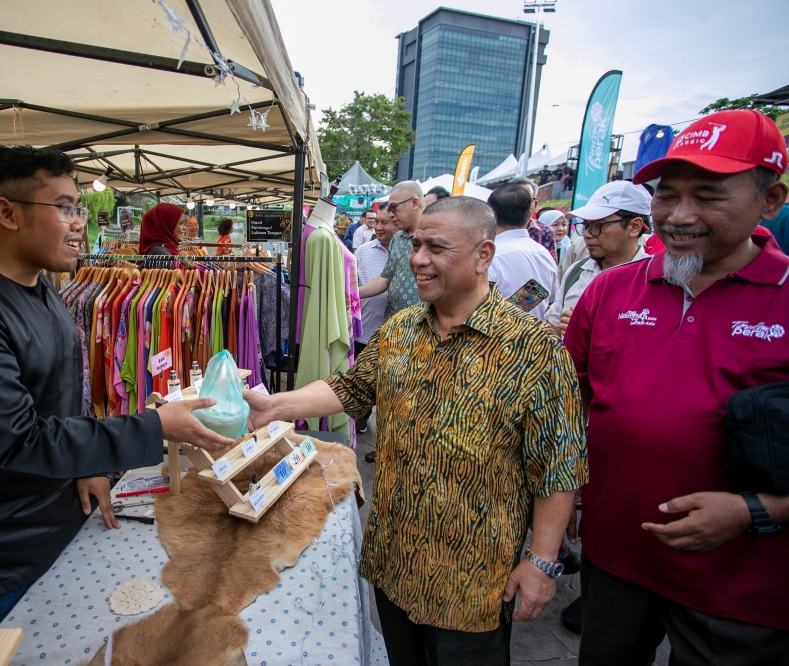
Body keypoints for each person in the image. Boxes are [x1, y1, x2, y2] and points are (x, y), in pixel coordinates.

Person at [0, 146, 234, 640]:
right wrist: (154, 426)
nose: (79, 222)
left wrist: (87, 464)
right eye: (64, 208)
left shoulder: (41, 287)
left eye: (78, 207)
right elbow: (13, 437)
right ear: (7, 213)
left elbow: (60, 397)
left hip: (43, 531)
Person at [244, 196, 587, 665]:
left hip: (473, 584)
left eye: (436, 247)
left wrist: (543, 562)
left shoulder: (534, 350)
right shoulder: (402, 330)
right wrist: (273, 406)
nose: (418, 259)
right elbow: (352, 387)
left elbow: (558, 467)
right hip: (393, 563)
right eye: (416, 243)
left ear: (483, 255)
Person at [564, 110, 789, 664]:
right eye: (667, 196)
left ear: (771, 199)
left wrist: (758, 511)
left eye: (709, 196)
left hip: (740, 584)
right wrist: (563, 498)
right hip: (616, 558)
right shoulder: (610, 291)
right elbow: (569, 405)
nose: (680, 216)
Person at [545, 181, 651, 338]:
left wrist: (593, 330)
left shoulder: (656, 282)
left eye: (597, 225)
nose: (587, 234)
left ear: (634, 226)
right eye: (585, 225)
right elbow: (551, 329)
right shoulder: (577, 272)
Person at [353, 209, 398, 445]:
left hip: (397, 333)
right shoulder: (363, 252)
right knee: (363, 379)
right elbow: (352, 285)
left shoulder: (411, 251)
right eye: (376, 222)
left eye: (386, 223)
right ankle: (360, 419)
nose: (379, 227)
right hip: (367, 329)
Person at [487, 184, 558, 320]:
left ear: (491, 214)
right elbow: (553, 301)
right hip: (536, 336)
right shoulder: (545, 255)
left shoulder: (489, 257)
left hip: (497, 338)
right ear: (530, 214)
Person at [358, 181, 424, 320]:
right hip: (393, 324)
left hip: (422, 326)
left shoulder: (433, 237)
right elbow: (386, 278)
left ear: (415, 203)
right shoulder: (398, 238)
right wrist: (353, 294)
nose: (391, 214)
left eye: (394, 208)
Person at [508, 177, 558, 263]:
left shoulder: (546, 232)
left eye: (526, 199)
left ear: (535, 204)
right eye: (516, 198)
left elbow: (552, 268)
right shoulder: (494, 229)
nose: (520, 203)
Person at [138, 202, 185, 268]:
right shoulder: (161, 255)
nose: (184, 228)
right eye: (181, 223)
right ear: (166, 226)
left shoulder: (170, 250)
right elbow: (145, 278)